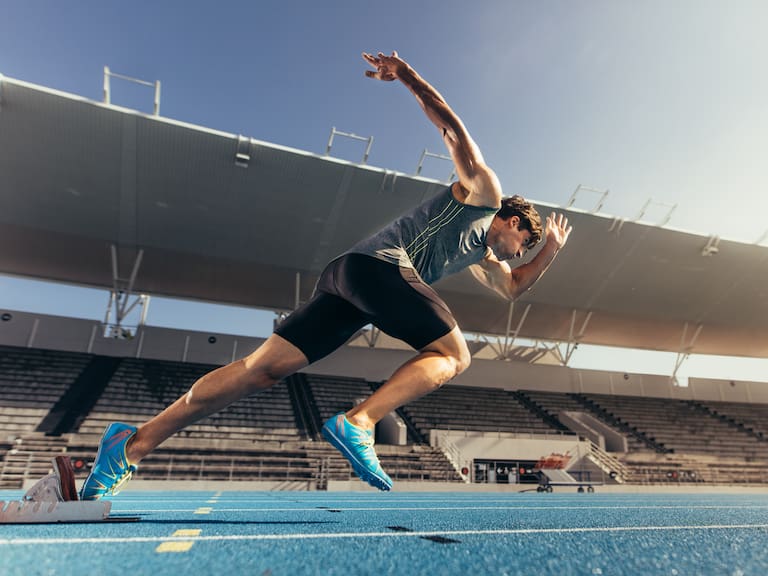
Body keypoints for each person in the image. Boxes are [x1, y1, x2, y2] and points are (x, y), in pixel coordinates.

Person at [80, 51, 572, 497]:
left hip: (348, 283)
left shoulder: (482, 256)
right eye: (524, 242)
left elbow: (514, 287)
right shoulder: (483, 194)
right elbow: (453, 130)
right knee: (453, 355)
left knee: (260, 371)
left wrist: (549, 249)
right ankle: (360, 422)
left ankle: (130, 446)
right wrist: (407, 76)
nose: (518, 252)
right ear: (512, 221)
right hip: (378, 268)